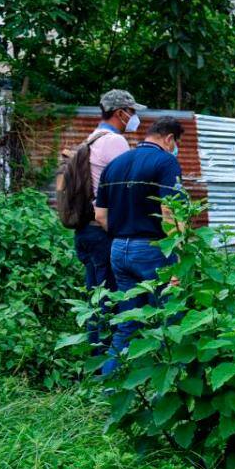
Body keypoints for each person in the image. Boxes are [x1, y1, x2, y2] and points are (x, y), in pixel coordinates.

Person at [94, 117, 185, 376]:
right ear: (169, 138)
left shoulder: (115, 165)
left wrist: (125, 235)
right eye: (175, 143)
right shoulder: (165, 161)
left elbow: (100, 215)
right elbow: (169, 211)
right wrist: (179, 257)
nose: (175, 148)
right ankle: (168, 388)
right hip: (153, 250)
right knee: (170, 320)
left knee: (129, 322)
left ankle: (109, 385)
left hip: (118, 249)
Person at [72, 89, 144, 350]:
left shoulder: (92, 138)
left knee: (96, 298)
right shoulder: (114, 142)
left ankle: (96, 357)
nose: (134, 118)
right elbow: (126, 187)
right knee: (110, 301)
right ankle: (110, 362)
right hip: (103, 231)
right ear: (120, 113)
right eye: (132, 112)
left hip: (85, 230)